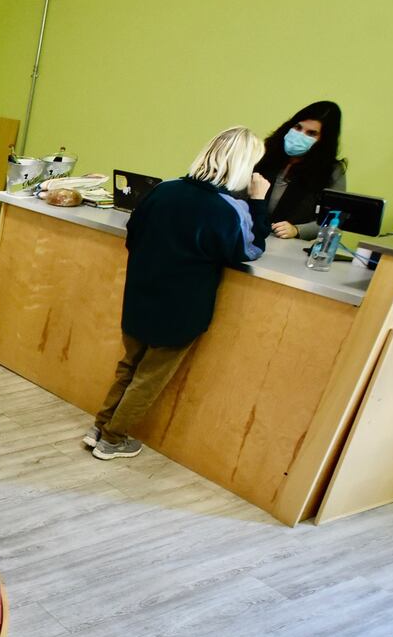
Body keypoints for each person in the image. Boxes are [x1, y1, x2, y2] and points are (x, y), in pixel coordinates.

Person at [87, 127, 270, 460]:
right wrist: (258, 203)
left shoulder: (163, 190)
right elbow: (250, 249)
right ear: (245, 166)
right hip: (181, 309)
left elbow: (134, 234)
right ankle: (112, 440)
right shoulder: (229, 209)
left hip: (141, 296)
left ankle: (99, 427)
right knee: (149, 378)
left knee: (129, 365)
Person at [253, 100, 346, 240]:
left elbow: (335, 220)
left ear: (323, 140)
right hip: (248, 233)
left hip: (286, 245)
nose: (300, 135)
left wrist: (297, 230)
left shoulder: (331, 171)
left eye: (311, 133)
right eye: (297, 127)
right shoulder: (264, 152)